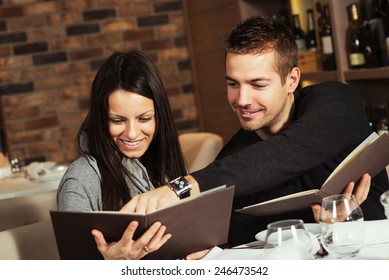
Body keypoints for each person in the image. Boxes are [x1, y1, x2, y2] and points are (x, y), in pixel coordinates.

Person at [123, 15, 388, 247]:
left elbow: (289, 151)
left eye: (258, 84)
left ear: (291, 80)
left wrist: (181, 187)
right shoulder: (235, 160)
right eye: (233, 84)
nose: (242, 99)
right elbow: (230, 240)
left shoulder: (336, 101)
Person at [56, 49, 189, 259]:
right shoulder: (80, 181)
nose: (133, 133)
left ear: (159, 117)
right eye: (117, 121)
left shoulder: (165, 161)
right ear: (101, 120)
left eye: (144, 119)